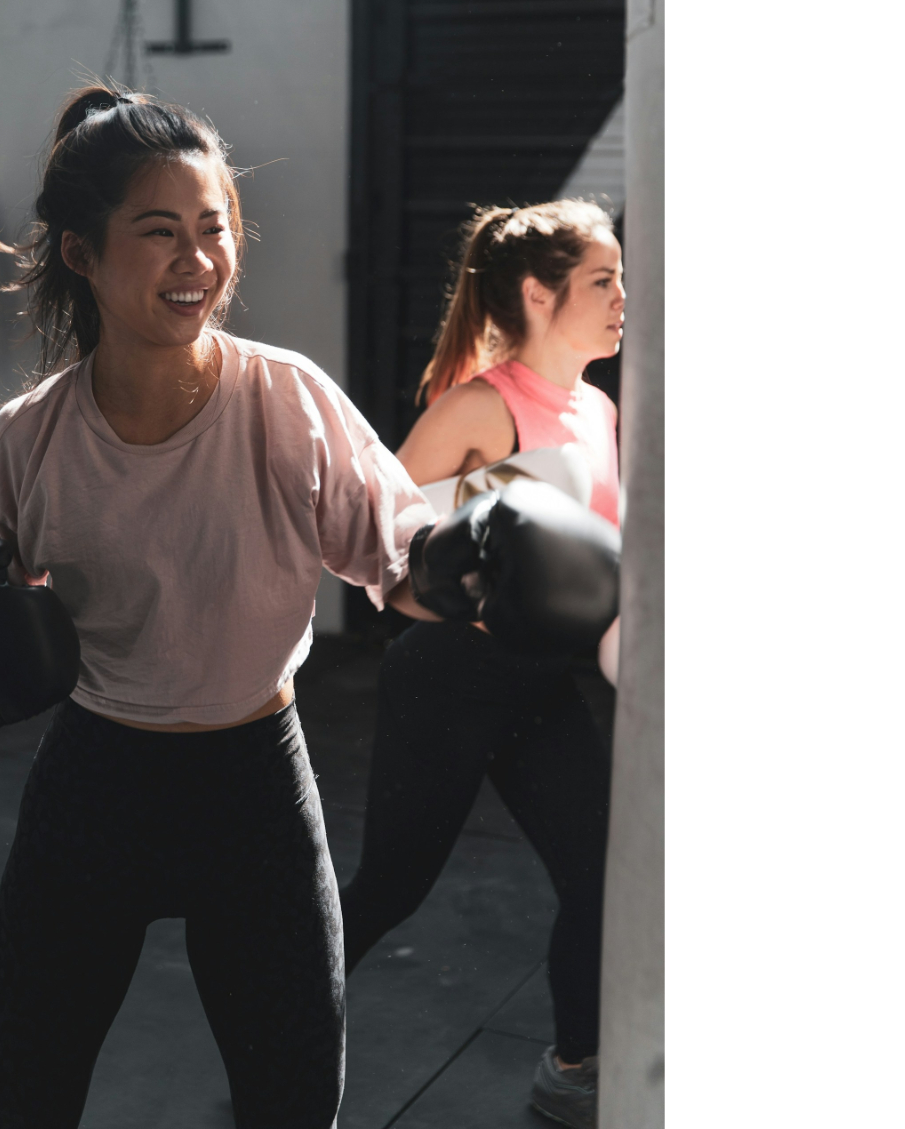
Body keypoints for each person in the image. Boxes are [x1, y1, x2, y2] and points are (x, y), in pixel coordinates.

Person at [0, 86, 439, 1128]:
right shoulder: (29, 437)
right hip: (95, 784)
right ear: (82, 252)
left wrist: (473, 569)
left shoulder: (286, 399)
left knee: (295, 1104)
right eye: (159, 232)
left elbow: (399, 549)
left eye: (214, 230)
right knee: (19, 1101)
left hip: (254, 786)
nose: (197, 260)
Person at [339, 199, 626, 1128]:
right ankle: (271, 1007)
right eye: (602, 280)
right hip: (451, 678)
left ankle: (573, 1070)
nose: (625, 297)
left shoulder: (597, 408)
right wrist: (473, 579)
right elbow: (386, 564)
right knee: (393, 886)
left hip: (544, 681)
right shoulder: (475, 406)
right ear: (540, 294)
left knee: (601, 877)